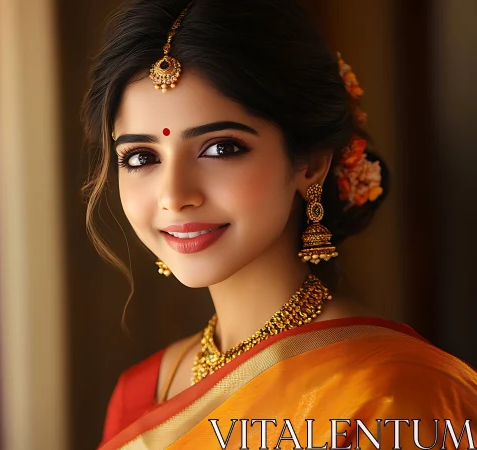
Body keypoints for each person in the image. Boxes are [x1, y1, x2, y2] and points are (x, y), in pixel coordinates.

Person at [80, 1, 477, 448]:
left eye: (221, 149)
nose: (174, 195)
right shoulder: (140, 393)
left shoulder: (393, 397)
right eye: (141, 157)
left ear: (310, 163)